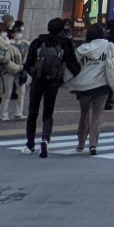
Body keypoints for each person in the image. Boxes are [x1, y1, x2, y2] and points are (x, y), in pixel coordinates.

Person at [23, 17, 78, 156]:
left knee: (32, 112)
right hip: (53, 82)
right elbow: (73, 65)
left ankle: (30, 144)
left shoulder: (37, 42)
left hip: (37, 81)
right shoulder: (65, 43)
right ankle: (45, 139)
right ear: (61, 29)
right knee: (48, 112)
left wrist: (35, 73)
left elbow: (28, 63)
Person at [69, 24, 114, 153]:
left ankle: (80, 143)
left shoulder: (82, 49)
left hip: (84, 86)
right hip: (102, 85)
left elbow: (75, 66)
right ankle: (93, 144)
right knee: (97, 115)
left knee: (84, 114)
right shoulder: (109, 46)